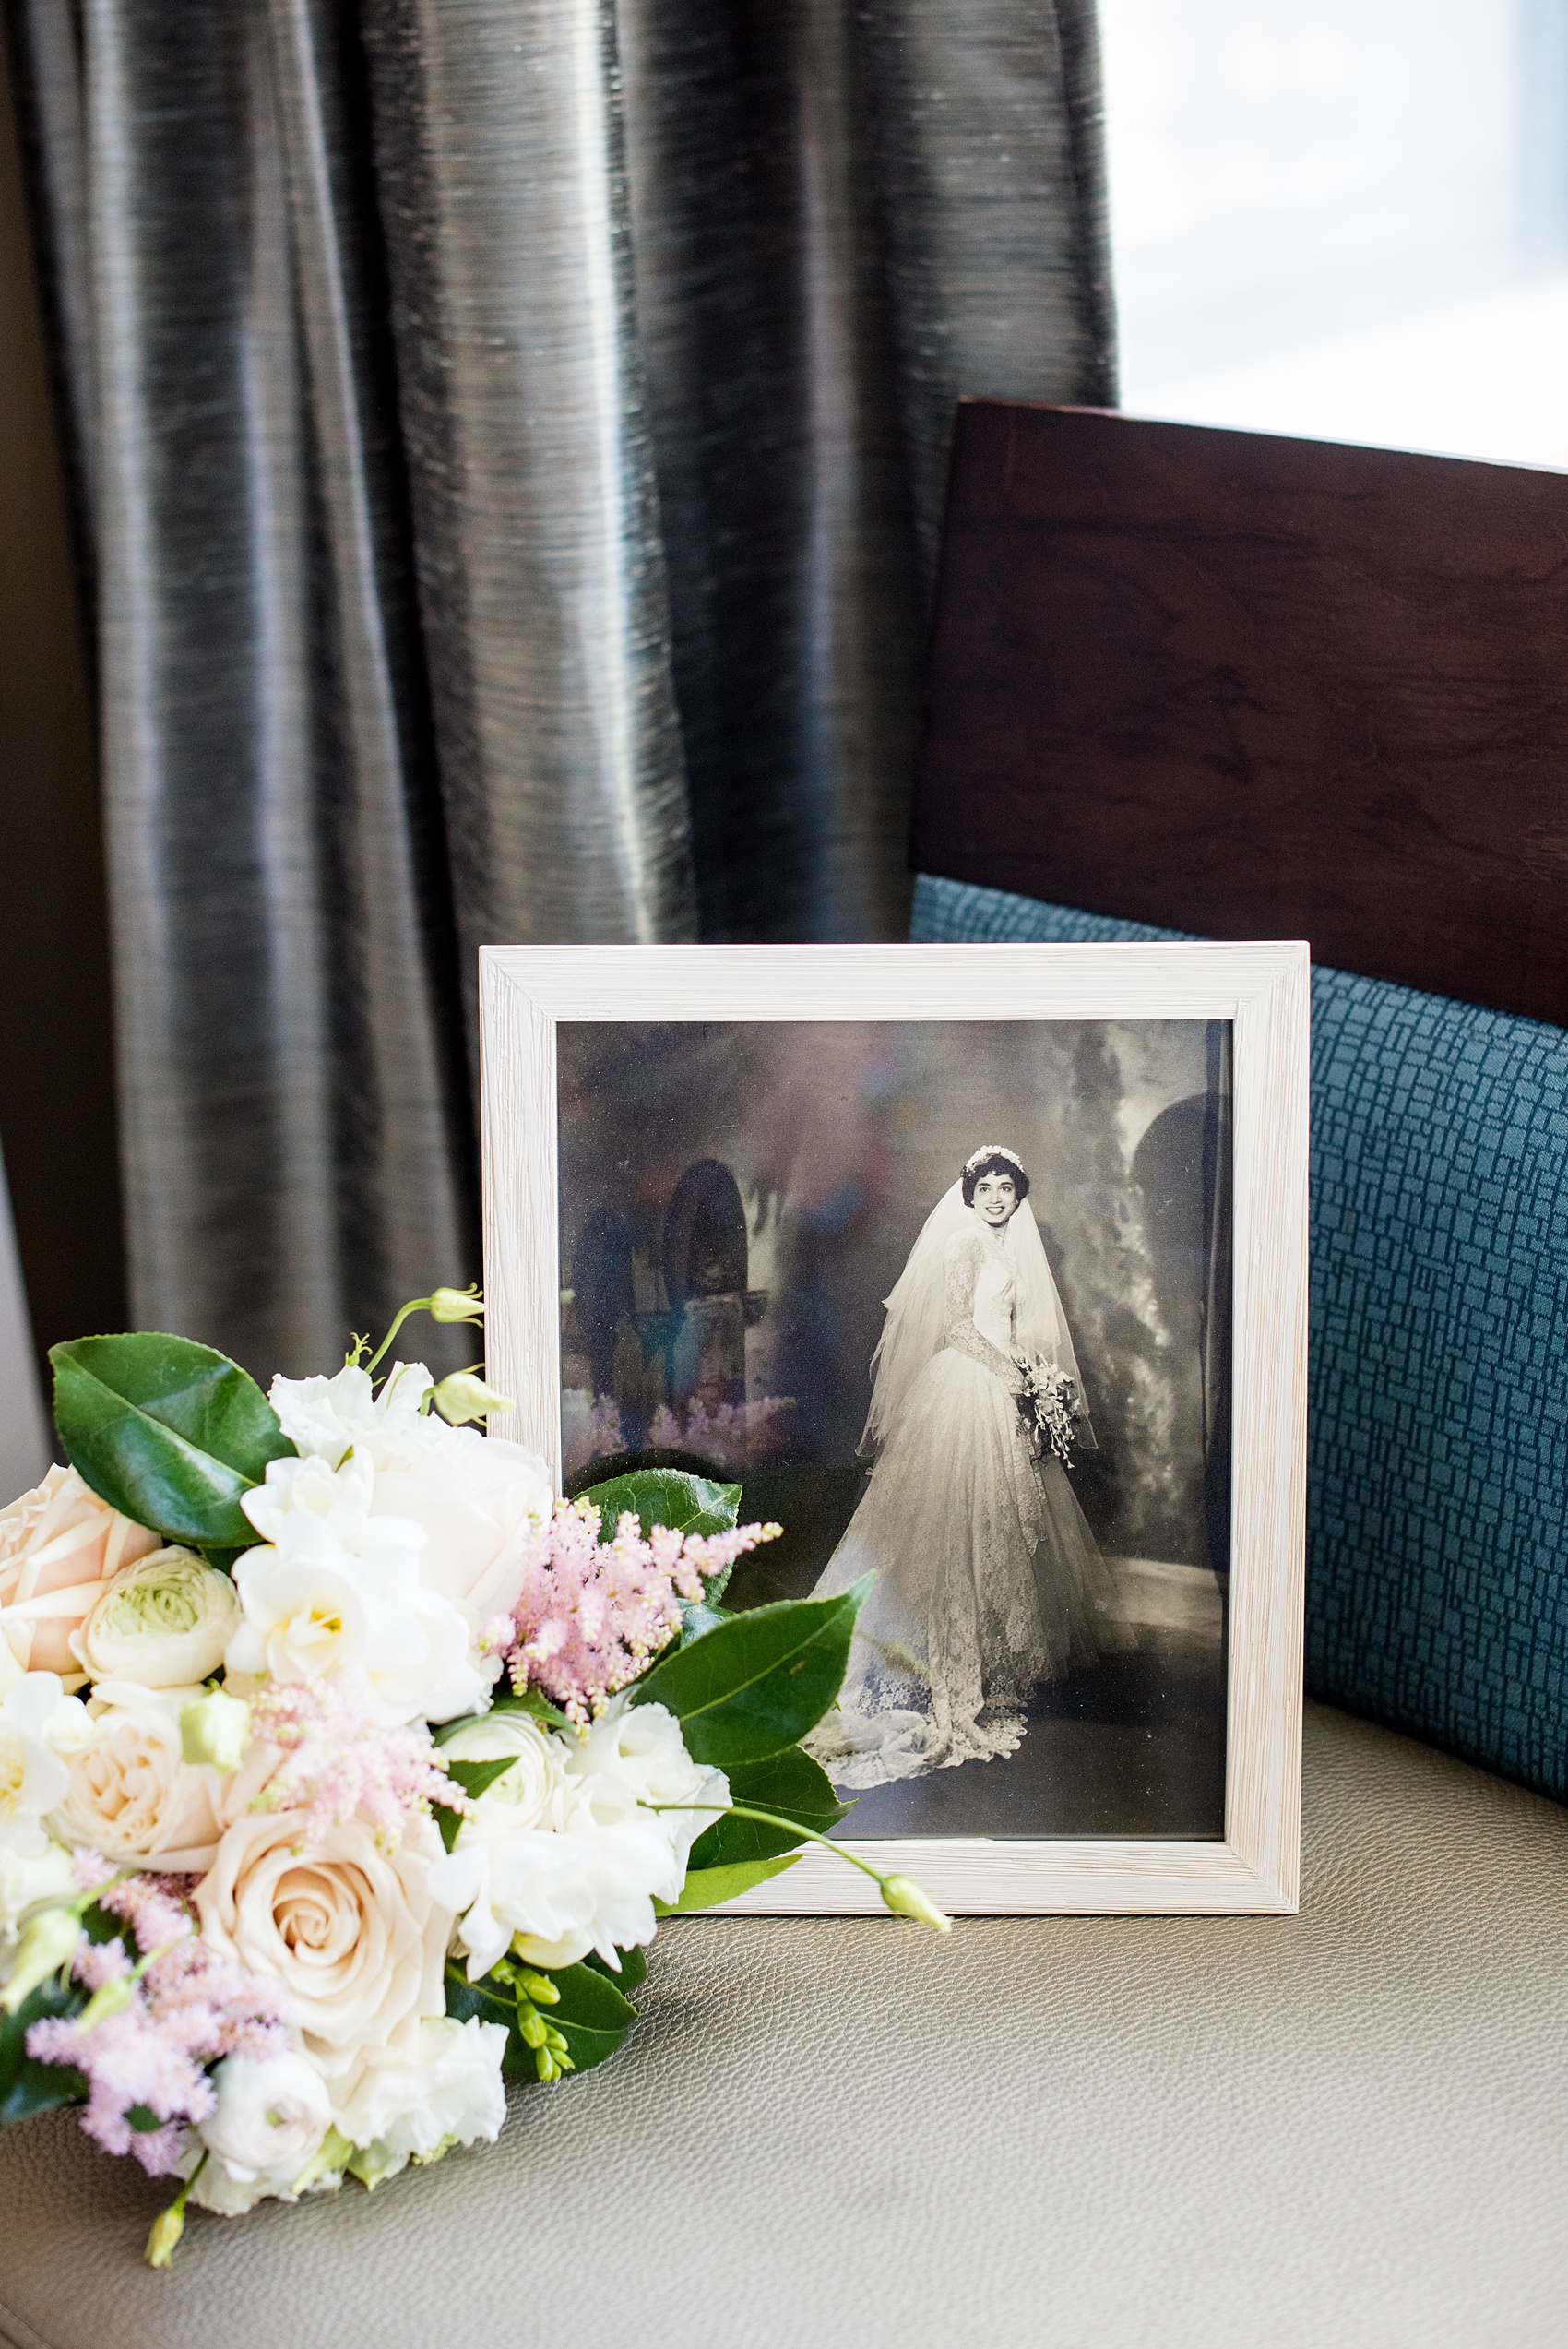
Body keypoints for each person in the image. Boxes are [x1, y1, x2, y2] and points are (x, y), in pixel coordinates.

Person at [805, 1146, 1129, 1789]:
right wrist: (1015, 1374)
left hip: (1007, 1386)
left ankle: (988, 1655)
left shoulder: (1015, 1251)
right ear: (970, 1192)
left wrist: (1038, 1382)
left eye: (1006, 1187)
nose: (996, 1198)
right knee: (945, 1525)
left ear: (1018, 1194)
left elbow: (1022, 1327)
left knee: (1002, 1518)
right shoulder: (963, 1246)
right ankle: (931, 1661)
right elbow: (957, 1328)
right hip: (965, 1387)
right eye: (986, 1187)